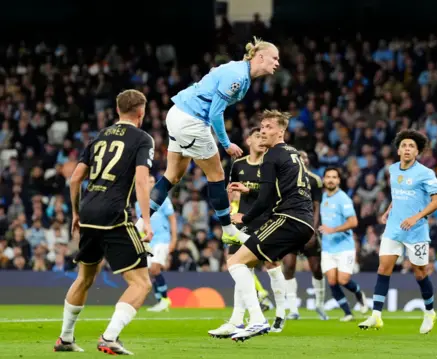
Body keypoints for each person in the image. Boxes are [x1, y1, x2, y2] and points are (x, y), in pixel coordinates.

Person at [134, 37, 279, 245]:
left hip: (177, 114)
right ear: (260, 56)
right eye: (274, 58)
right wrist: (227, 144)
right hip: (192, 120)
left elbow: (214, 76)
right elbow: (215, 113)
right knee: (217, 174)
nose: (277, 62)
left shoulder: (238, 70)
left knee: (172, 176)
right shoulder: (237, 76)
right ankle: (229, 230)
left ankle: (139, 226)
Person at [54, 90, 155, 355]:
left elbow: (75, 178)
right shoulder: (143, 138)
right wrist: (146, 220)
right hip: (114, 215)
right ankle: (109, 337)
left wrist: (76, 213)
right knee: (141, 283)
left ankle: (65, 339)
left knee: (85, 278)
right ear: (141, 112)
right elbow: (142, 180)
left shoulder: (99, 137)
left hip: (88, 211)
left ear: (118, 110)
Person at [220, 110, 315, 342]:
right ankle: (240, 320)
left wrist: (245, 218)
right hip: (302, 221)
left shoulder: (272, 155)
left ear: (281, 131)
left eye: (269, 127)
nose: (264, 130)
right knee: (248, 262)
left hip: (288, 218)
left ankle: (257, 320)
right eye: (262, 126)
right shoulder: (292, 153)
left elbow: (264, 197)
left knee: (234, 262)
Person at [358, 129, 437, 334]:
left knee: (420, 272)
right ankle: (376, 316)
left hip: (416, 231)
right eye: (404, 145)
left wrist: (416, 217)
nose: (407, 149)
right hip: (394, 228)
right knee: (383, 269)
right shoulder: (393, 169)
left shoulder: (425, 173)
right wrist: (389, 209)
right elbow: (399, 195)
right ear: (398, 150)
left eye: (411, 146)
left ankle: (430, 312)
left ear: (417, 152)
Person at [208, 127, 288, 338]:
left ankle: (280, 314)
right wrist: (231, 209)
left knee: (271, 265)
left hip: (268, 220)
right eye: (258, 137)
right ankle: (237, 320)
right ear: (248, 141)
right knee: (238, 264)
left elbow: (274, 193)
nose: (262, 140)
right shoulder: (239, 165)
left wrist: (249, 190)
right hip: (245, 220)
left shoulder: (272, 163)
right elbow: (233, 191)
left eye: (264, 137)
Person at [282, 150, 328, 321]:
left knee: (316, 268)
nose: (305, 159)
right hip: (290, 228)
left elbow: (317, 207)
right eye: (301, 157)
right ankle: (293, 308)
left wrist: (312, 230)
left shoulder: (315, 180)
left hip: (308, 228)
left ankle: (320, 305)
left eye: (307, 157)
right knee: (289, 266)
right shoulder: (285, 179)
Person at [320, 167, 368, 321]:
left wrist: (333, 230)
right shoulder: (323, 198)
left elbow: (353, 222)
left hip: (344, 247)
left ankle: (359, 293)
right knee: (332, 281)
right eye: (328, 177)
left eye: (334, 177)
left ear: (339, 180)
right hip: (327, 248)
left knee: (343, 280)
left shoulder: (343, 199)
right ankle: (348, 313)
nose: (331, 180)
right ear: (324, 179)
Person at [135, 176, 177, 312]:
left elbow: (172, 219)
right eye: (149, 182)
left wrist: (174, 239)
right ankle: (161, 302)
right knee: (149, 272)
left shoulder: (163, 199)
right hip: (149, 241)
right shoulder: (138, 203)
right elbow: (141, 225)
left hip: (162, 238)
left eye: (154, 182)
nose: (152, 184)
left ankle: (164, 300)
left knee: (154, 269)